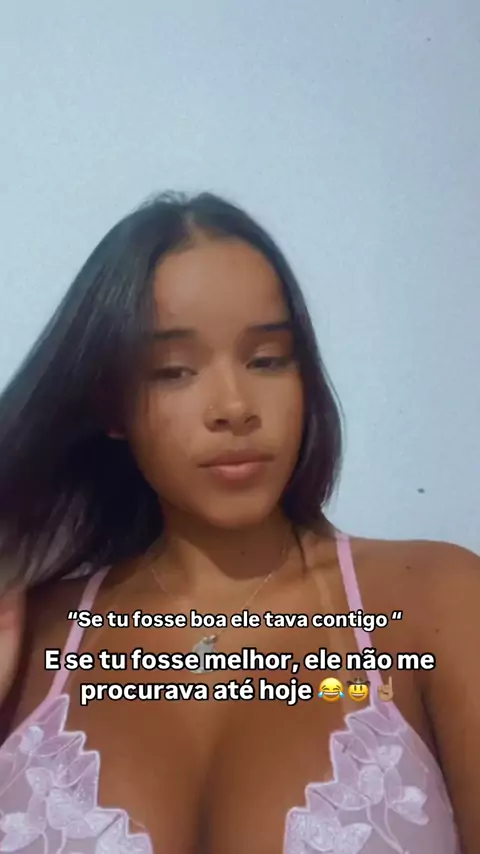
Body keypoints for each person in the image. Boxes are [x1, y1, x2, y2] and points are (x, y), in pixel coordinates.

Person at [0, 192, 477, 854]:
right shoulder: (27, 638)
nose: (233, 405)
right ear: (111, 404)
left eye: (267, 359)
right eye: (174, 370)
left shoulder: (438, 601)